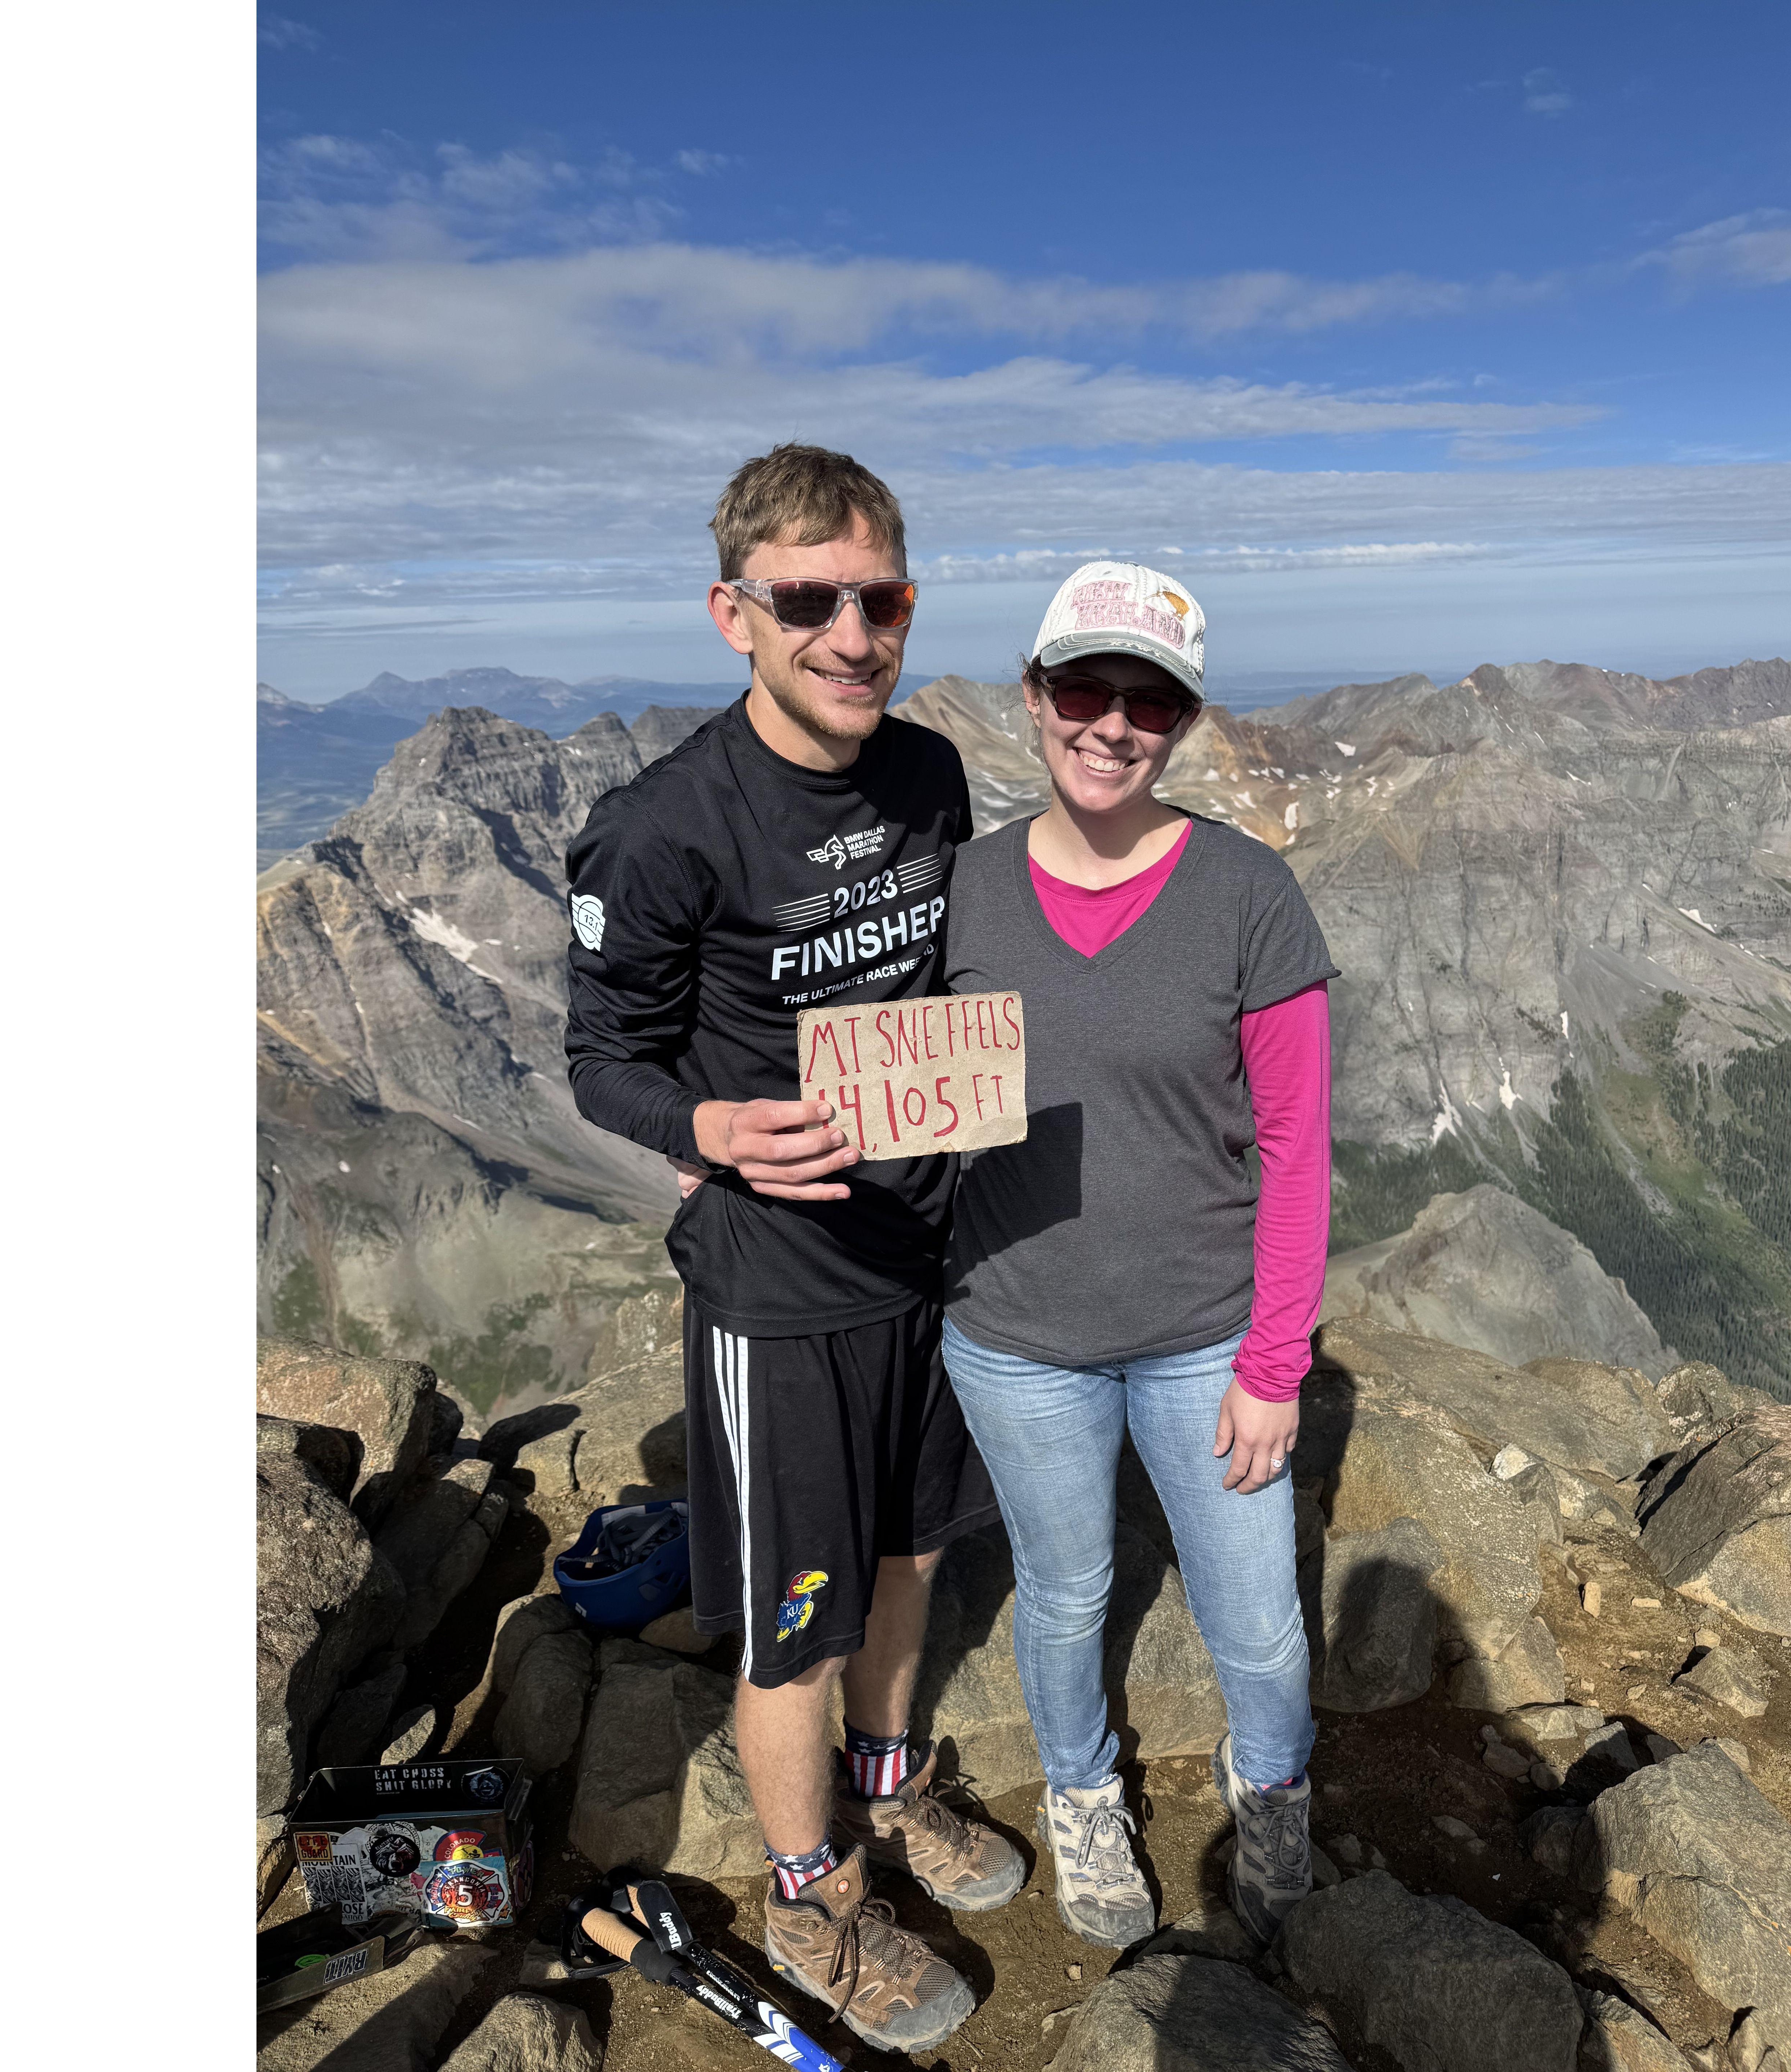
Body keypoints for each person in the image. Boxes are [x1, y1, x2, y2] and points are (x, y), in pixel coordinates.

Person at [563, 444, 1022, 2053]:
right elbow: (602, 1057)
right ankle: (807, 1887)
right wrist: (708, 1134)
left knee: (915, 1554)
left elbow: (949, 968)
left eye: (879, 597)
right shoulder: (664, 829)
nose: (853, 632)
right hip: (779, 1293)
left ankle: (890, 1787)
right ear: (735, 616)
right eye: (811, 600)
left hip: (926, 1254)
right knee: (796, 1619)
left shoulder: (929, 773)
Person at [938, 561, 1337, 1949]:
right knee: (1065, 1590)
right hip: (1014, 1332)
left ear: (1182, 721)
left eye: (1149, 700)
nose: (1112, 725)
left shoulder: (1248, 894)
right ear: (1035, 697)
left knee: (1257, 1615)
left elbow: (1296, 1143)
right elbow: (906, 1098)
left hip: (1202, 1332)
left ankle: (1272, 1784)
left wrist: (1274, 1363)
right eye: (1083, 690)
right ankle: (1081, 1789)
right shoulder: (963, 893)